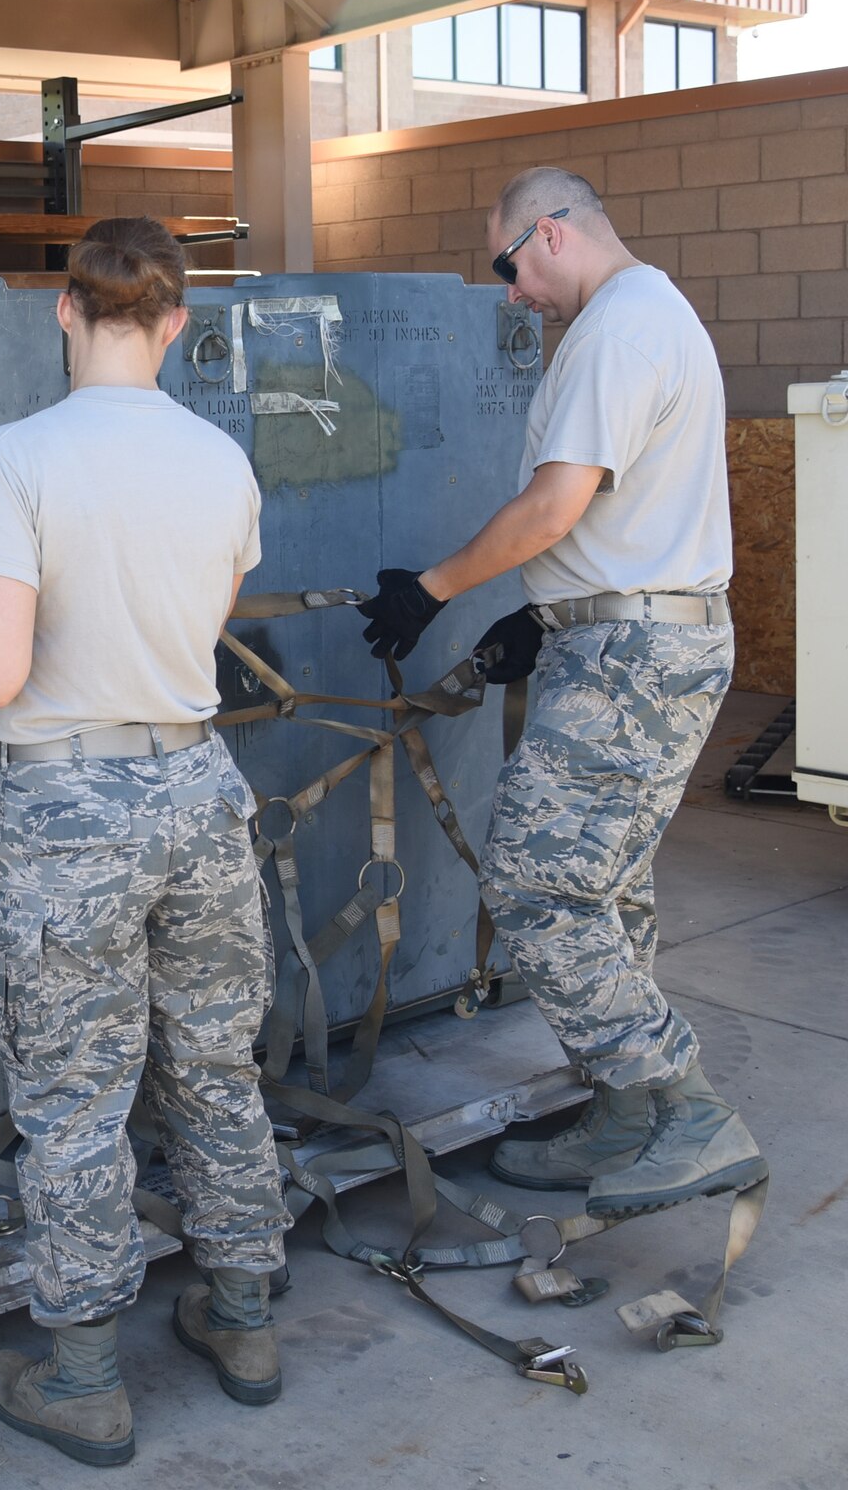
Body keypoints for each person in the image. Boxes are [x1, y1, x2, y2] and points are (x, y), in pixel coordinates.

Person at [0, 216, 293, 1468]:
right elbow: (203, 611)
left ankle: (84, 1377)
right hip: (198, 788)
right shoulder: (219, 459)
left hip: (69, 807)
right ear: (176, 323)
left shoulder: (12, 458)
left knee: (74, 1101)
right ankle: (243, 1320)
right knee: (214, 1066)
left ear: (62, 310)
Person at [355, 167, 766, 1221]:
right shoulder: (638, 319)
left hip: (632, 654)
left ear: (550, 231)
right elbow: (609, 520)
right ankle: (623, 1110)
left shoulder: (620, 328)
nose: (507, 292)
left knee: (538, 886)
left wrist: (431, 589)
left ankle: (684, 1106)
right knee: (605, 889)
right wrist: (542, 617)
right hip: (623, 636)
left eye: (507, 265)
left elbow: (551, 506)